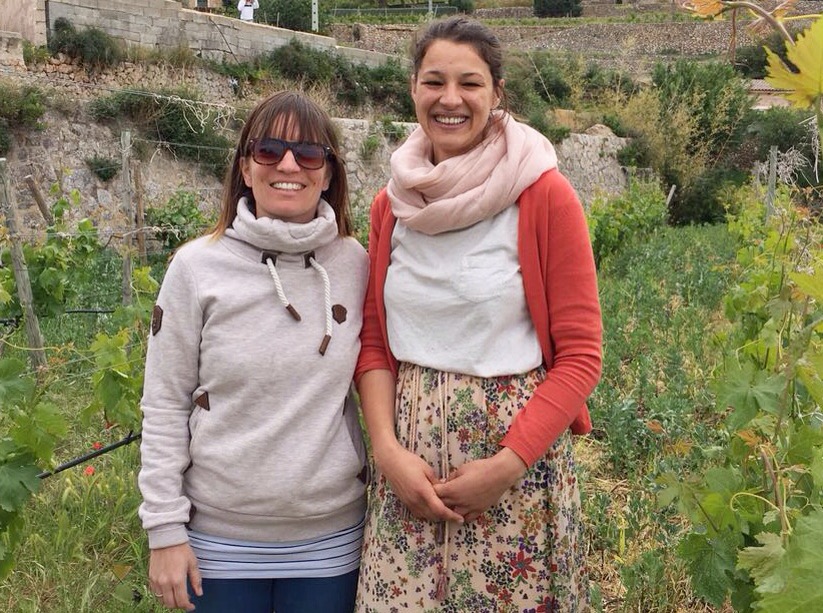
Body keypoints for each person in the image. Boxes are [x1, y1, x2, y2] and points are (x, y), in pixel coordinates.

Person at [354, 16, 603, 612]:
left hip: (514, 482)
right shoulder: (392, 206)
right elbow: (375, 343)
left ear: (496, 94)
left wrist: (506, 466)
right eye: (434, 81)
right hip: (409, 482)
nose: (450, 99)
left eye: (469, 83)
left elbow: (580, 356)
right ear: (413, 88)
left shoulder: (542, 194)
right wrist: (387, 453)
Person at [138, 90, 369, 613]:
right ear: (245, 168)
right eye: (269, 150)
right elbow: (165, 404)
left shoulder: (355, 265)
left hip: (331, 538)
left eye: (309, 153)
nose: (288, 164)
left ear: (328, 174)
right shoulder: (196, 267)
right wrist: (164, 529)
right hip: (217, 540)